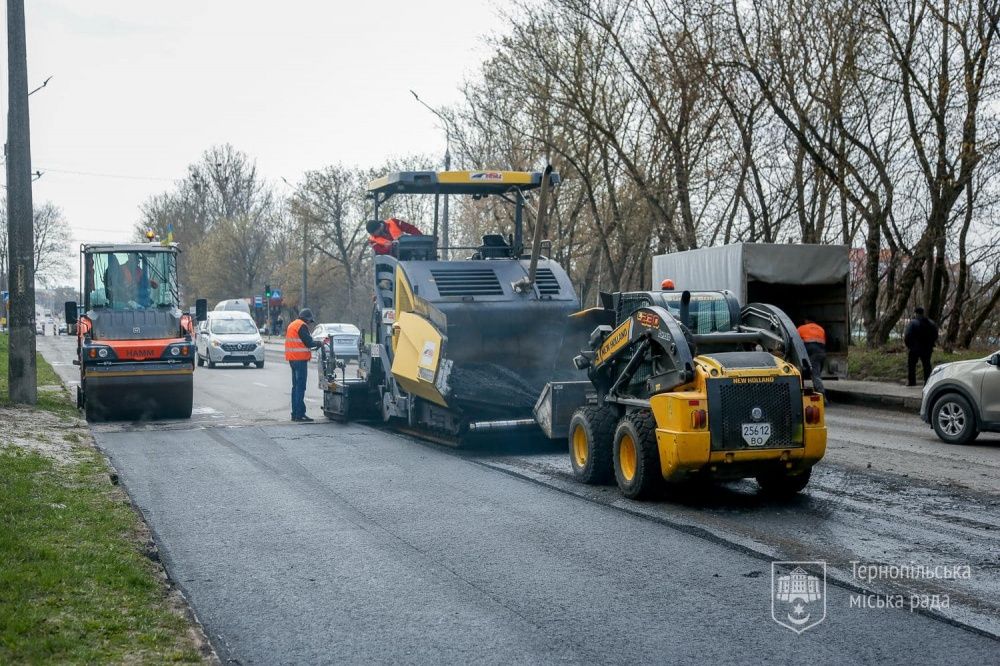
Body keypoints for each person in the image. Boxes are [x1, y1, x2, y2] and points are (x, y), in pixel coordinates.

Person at [285, 308, 321, 422]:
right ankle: (299, 414)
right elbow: (309, 343)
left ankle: (295, 413)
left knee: (295, 387)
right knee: (300, 387)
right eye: (310, 321)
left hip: (292, 360)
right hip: (300, 360)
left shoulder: (292, 325)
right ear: (306, 319)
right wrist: (319, 343)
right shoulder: (301, 326)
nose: (309, 324)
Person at [904, 306, 939, 386]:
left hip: (915, 348)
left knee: (911, 365)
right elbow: (935, 335)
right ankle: (928, 382)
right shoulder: (931, 323)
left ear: (916, 313)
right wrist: (931, 344)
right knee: (927, 365)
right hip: (927, 348)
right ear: (923, 313)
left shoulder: (913, 323)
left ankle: (911, 381)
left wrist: (909, 345)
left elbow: (908, 335)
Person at [797, 316, 827, 397]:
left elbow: (795, 341)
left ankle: (822, 396)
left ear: (806, 321)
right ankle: (817, 392)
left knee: (814, 375)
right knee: (816, 374)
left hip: (810, 352)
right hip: (821, 353)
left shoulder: (801, 328)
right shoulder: (821, 329)